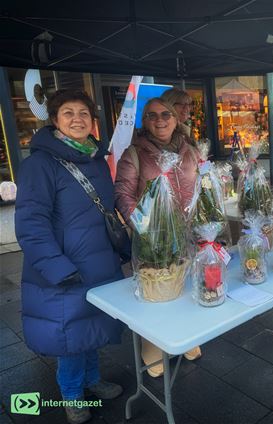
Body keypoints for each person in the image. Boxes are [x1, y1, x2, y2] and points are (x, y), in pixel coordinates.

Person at [15, 90, 124, 424]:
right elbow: (31, 223)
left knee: (91, 329)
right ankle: (72, 395)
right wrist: (57, 267)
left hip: (99, 263)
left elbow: (107, 211)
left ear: (93, 121)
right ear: (54, 120)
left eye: (83, 113)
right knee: (69, 337)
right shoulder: (40, 165)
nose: (77, 119)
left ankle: (93, 380)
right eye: (68, 113)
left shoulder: (96, 160)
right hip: (65, 268)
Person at [114, 97, 201, 377]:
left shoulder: (191, 150)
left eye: (166, 114)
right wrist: (143, 226)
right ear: (145, 122)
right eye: (152, 116)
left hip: (189, 232)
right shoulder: (135, 153)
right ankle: (151, 344)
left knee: (184, 286)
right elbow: (123, 194)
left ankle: (185, 335)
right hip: (153, 239)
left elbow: (203, 184)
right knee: (153, 293)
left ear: (176, 119)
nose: (160, 120)